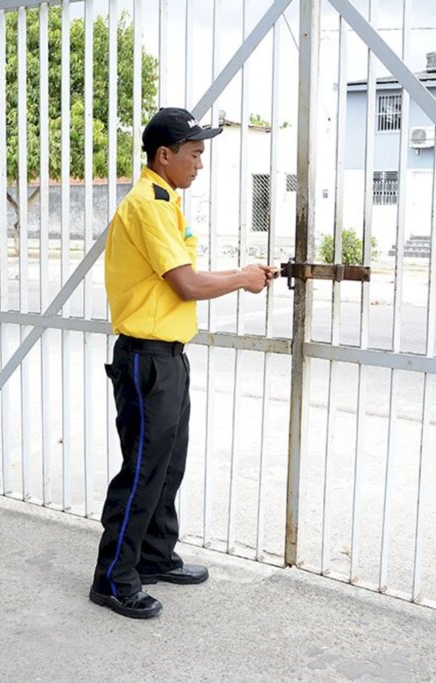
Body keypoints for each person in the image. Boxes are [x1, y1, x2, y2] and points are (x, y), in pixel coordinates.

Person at [90, 107, 278, 619]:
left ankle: (154, 557)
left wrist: (239, 275)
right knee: (144, 471)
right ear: (164, 155)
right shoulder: (147, 205)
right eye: (194, 154)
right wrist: (242, 278)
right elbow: (187, 284)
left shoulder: (167, 201)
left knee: (168, 466)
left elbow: (184, 276)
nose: (200, 163)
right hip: (145, 358)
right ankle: (113, 577)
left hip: (168, 356)